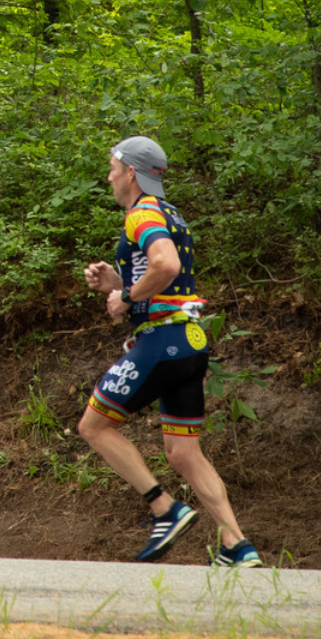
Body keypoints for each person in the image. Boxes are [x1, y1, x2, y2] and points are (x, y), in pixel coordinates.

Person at [76, 135, 261, 567]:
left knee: (93, 427)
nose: (108, 177)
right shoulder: (169, 213)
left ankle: (164, 508)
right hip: (191, 342)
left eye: (112, 168)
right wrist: (117, 285)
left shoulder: (140, 215)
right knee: (183, 452)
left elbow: (166, 266)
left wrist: (126, 299)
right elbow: (167, 280)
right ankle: (237, 545)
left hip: (164, 341)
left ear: (131, 173)